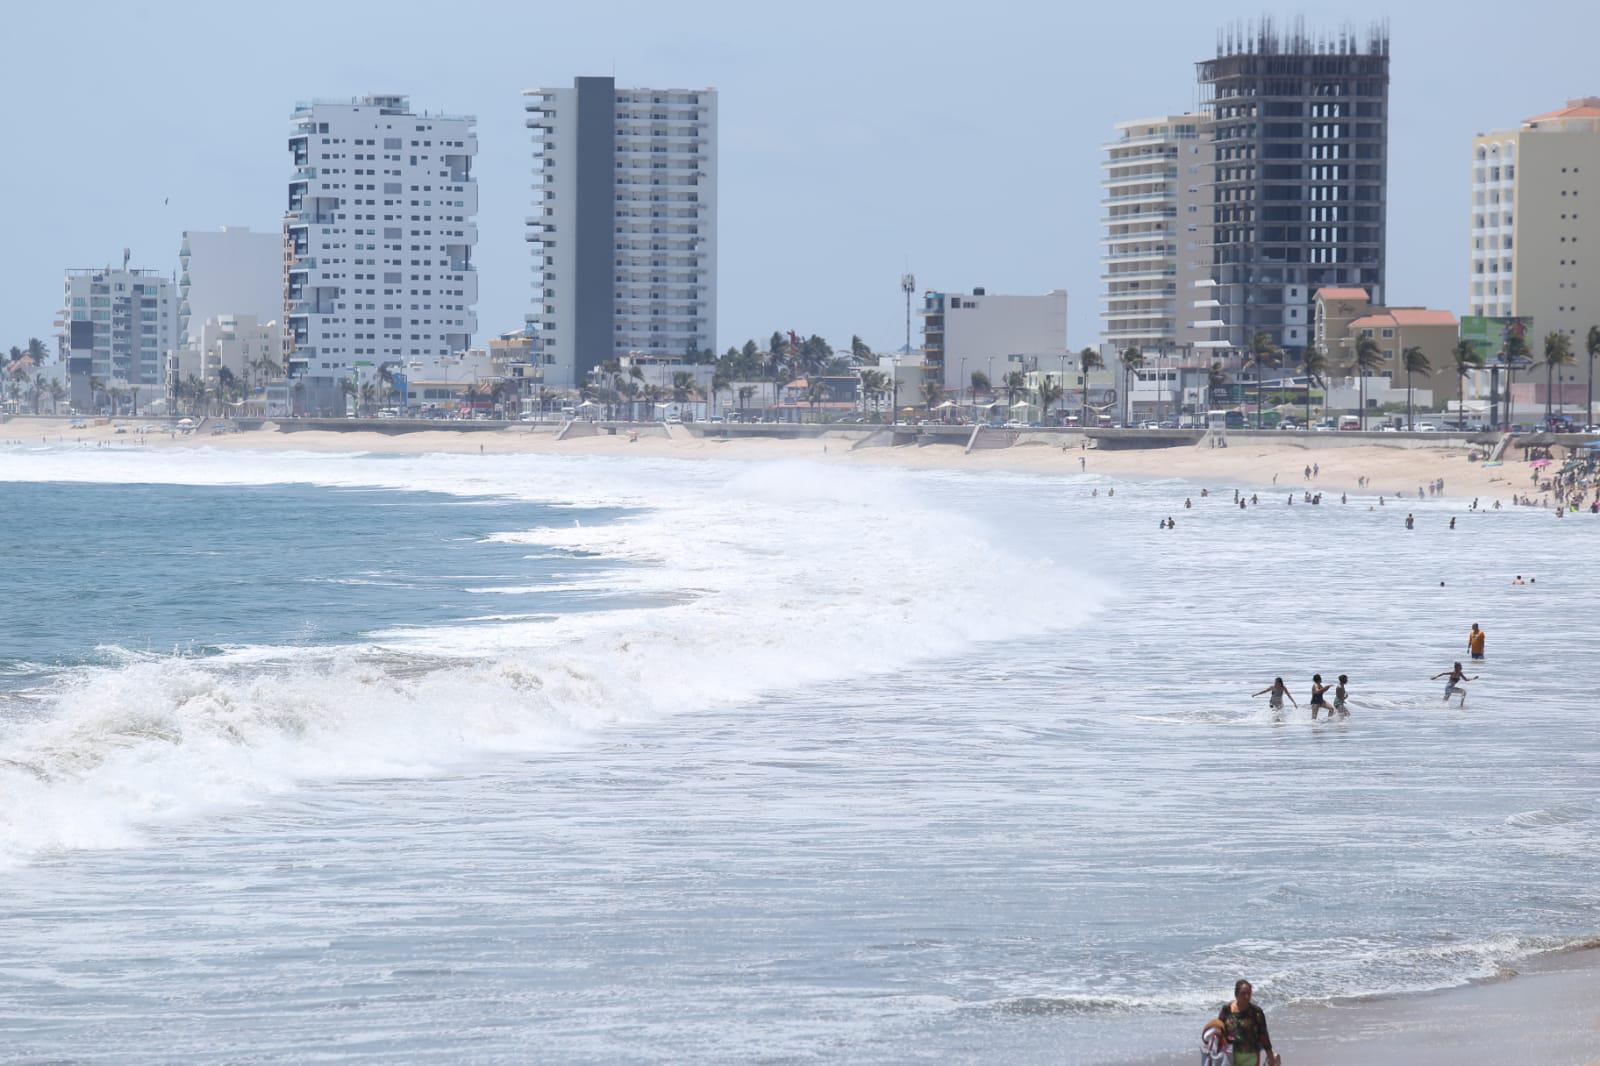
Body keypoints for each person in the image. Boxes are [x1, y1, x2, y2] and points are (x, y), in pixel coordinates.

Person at [1202, 980, 1280, 1066]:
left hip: (1251, 1055)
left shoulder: (1256, 1012)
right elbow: (1219, 1028)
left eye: (1249, 993)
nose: (1246, 996)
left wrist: (1270, 1055)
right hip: (1230, 1055)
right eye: (1243, 993)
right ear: (1236, 994)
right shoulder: (1226, 1009)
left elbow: (1263, 1035)